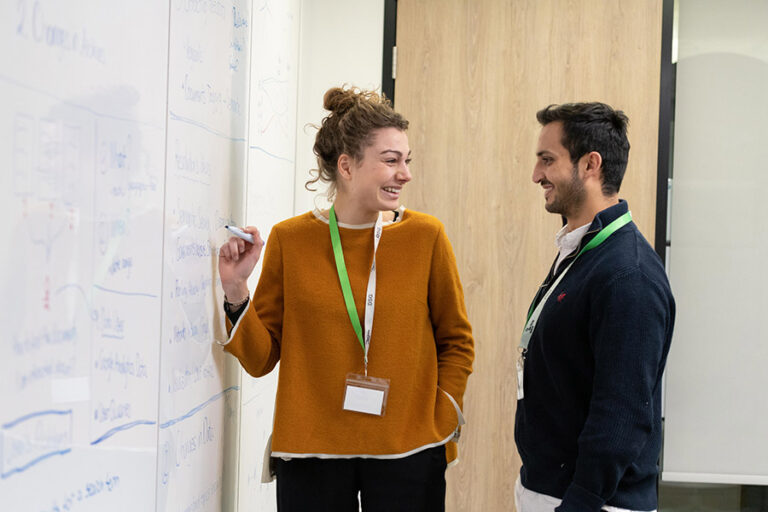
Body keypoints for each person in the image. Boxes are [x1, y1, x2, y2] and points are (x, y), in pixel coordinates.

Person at [217, 86, 474, 511]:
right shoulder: (290, 240)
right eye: (391, 160)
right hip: (312, 454)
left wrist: (442, 416)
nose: (405, 173)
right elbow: (261, 359)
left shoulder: (425, 236)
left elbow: (457, 340)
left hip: (407, 451)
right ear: (347, 166)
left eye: (406, 161)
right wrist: (236, 290)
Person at [514, 103, 675, 512]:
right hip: (551, 489)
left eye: (547, 160)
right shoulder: (582, 249)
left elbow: (621, 413)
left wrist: (580, 502)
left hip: (593, 502)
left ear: (590, 164)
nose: (536, 175)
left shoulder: (628, 275)